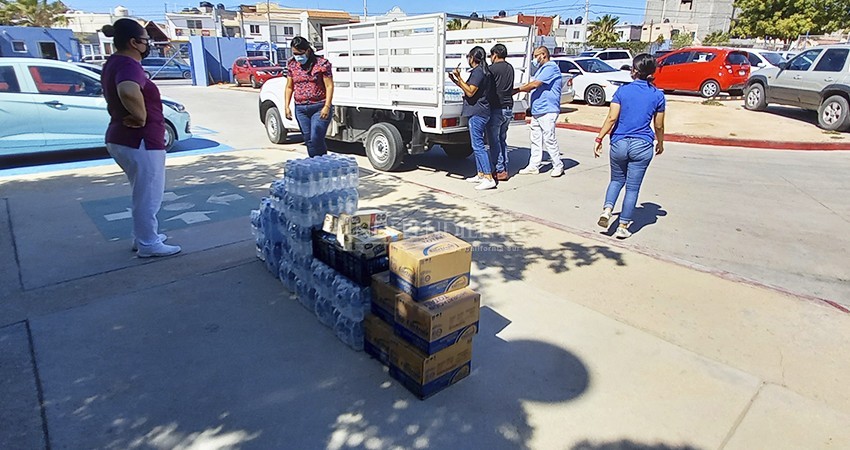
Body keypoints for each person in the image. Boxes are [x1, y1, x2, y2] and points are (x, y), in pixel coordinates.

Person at [101, 19, 180, 258]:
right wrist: (141, 116)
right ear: (134, 43)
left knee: (141, 191)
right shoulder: (129, 64)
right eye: (146, 40)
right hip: (140, 140)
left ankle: (142, 236)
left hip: (123, 138)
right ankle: (148, 243)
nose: (148, 44)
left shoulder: (113, 62)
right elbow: (127, 90)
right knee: (149, 194)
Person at [594, 54, 666, 239]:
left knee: (616, 180)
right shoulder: (657, 95)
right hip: (642, 145)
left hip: (619, 143)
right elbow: (658, 125)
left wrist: (599, 138)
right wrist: (660, 142)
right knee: (632, 188)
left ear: (634, 70)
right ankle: (623, 226)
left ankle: (607, 210)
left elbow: (611, 118)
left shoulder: (622, 91)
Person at [449, 46, 496, 190]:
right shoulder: (484, 71)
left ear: (473, 58)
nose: (467, 60)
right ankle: (481, 173)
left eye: (468, 57)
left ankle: (488, 177)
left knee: (478, 146)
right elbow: (469, 89)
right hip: (481, 111)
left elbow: (470, 91)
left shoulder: (478, 72)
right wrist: (456, 81)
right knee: (477, 145)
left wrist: (458, 77)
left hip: (478, 112)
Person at [513, 46, 564, 177]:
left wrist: (518, 90)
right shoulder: (542, 69)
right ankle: (533, 165)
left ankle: (558, 165)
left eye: (536, 56)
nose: (535, 59)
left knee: (549, 138)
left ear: (543, 55)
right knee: (535, 139)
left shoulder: (550, 68)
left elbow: (535, 84)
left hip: (548, 110)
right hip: (538, 110)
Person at [284, 36, 335, 157]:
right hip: (301, 109)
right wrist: (286, 106)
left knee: (316, 137)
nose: (297, 56)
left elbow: (329, 86)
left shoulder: (321, 64)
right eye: (295, 53)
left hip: (319, 106)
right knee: (309, 140)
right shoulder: (292, 64)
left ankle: (322, 164)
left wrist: (327, 106)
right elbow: (289, 86)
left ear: (307, 50)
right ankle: (314, 165)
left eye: (300, 53)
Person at [486, 44, 515, 182]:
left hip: (496, 108)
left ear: (495, 54)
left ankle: (500, 170)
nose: (491, 58)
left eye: (491, 55)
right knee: (502, 139)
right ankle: (504, 167)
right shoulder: (510, 68)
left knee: (494, 141)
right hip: (508, 107)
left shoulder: (491, 69)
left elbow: (486, 88)